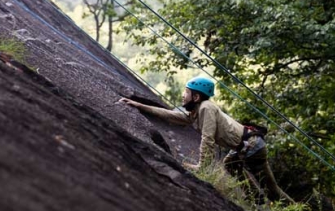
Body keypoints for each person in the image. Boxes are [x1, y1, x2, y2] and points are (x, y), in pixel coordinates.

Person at [119, 76, 291, 202]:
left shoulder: (206, 109)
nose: (183, 95)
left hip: (252, 147)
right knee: (230, 164)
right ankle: (256, 196)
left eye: (186, 92)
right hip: (246, 145)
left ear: (196, 97)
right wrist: (141, 106)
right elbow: (173, 115)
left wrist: (202, 165)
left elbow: (207, 138)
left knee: (273, 191)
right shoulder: (197, 110)